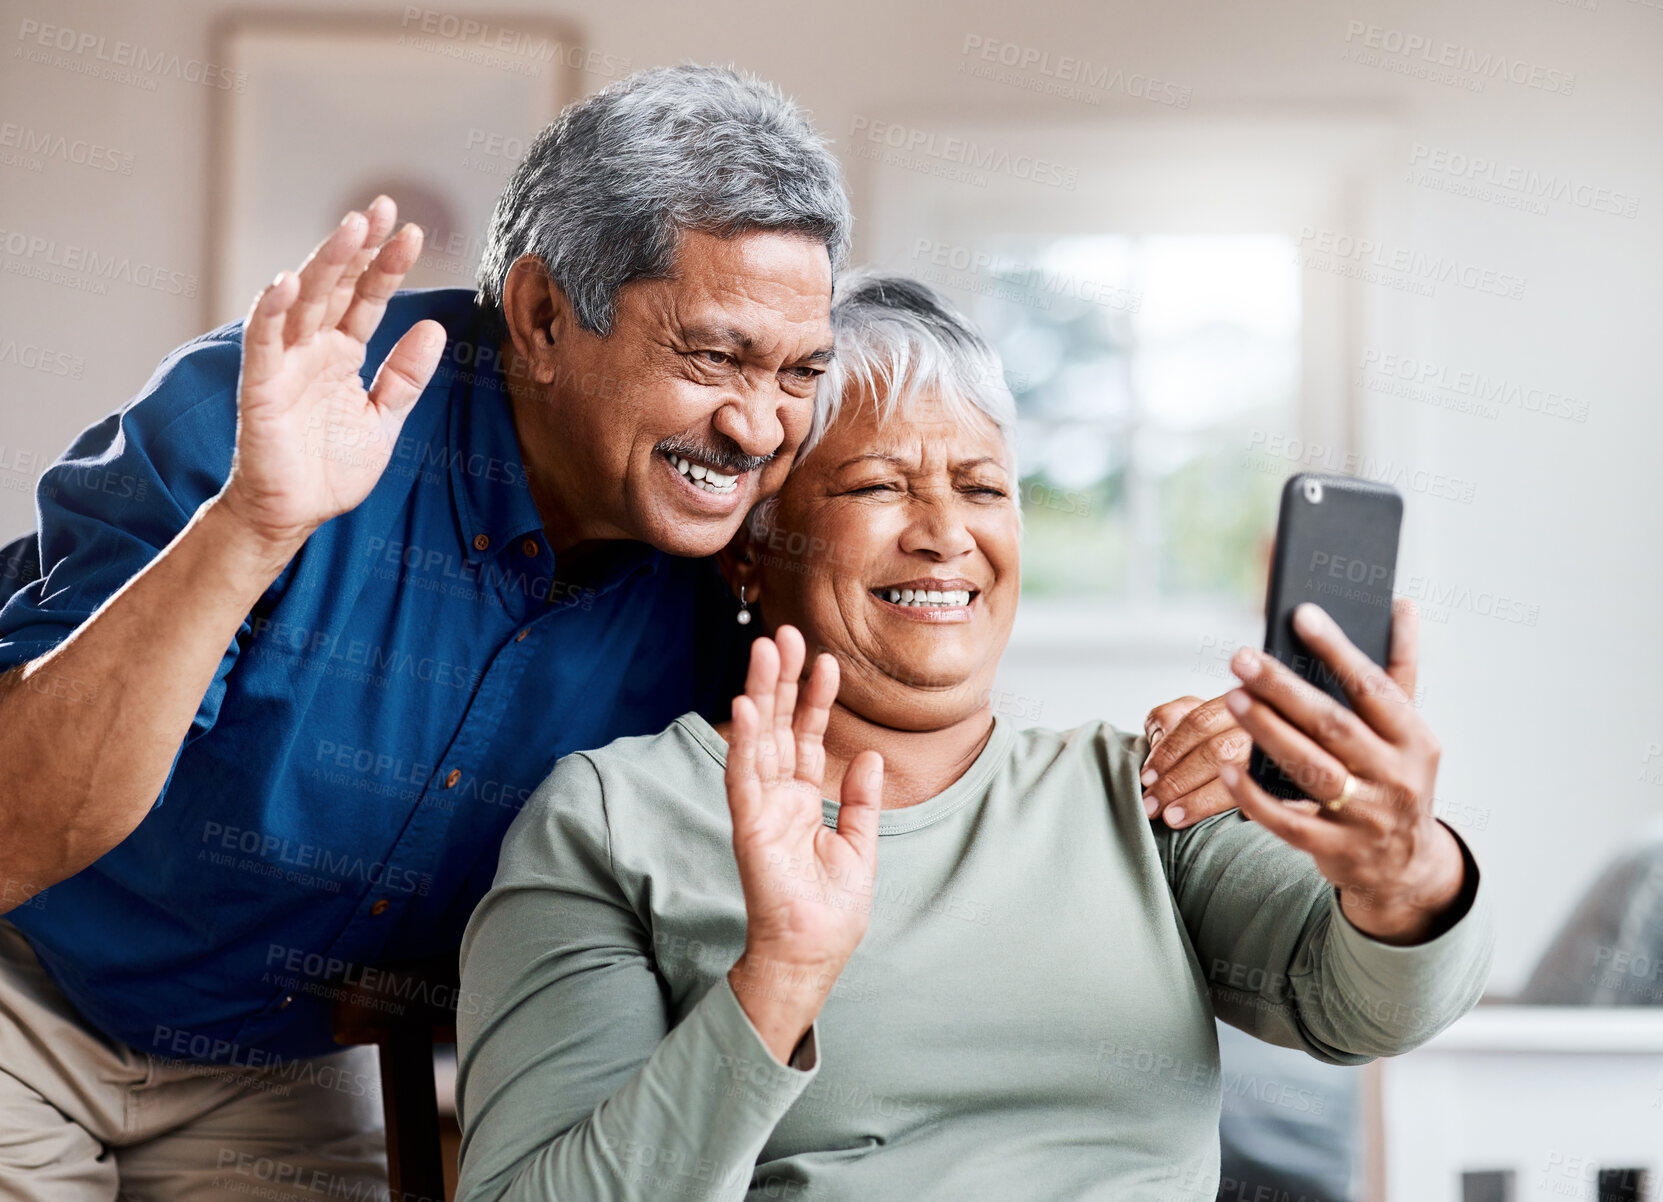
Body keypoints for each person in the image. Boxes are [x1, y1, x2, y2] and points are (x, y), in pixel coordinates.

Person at [0, 69, 1243, 1198]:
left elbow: (917, 729)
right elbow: (13, 828)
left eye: (797, 372)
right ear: (541, 316)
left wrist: (1180, 755)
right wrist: (250, 528)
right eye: (713, 356)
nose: (759, 428)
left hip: (279, 1064)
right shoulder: (277, 418)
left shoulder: (739, 573)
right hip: (32, 989)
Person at [454, 273, 1496, 1201]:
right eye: (876, 485)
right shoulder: (612, 818)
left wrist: (1401, 869)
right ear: (748, 552)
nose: (945, 531)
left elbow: (1365, 1009)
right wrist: (777, 980)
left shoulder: (1142, 787)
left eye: (983, 486)